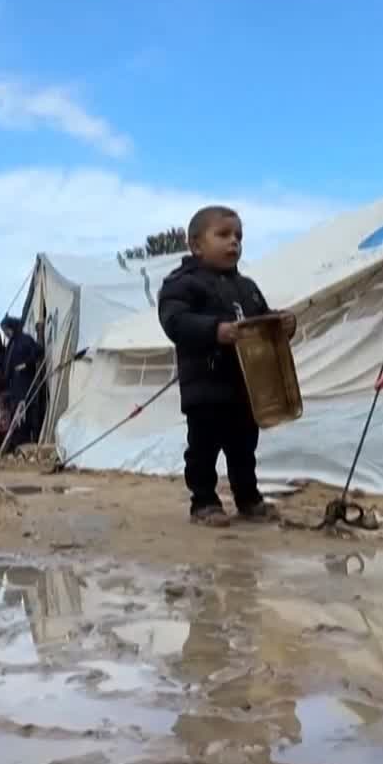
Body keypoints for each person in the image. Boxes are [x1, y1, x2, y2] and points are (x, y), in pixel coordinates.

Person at [157, 204, 293, 526]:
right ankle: (203, 502)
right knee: (203, 447)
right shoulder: (182, 284)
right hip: (205, 385)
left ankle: (248, 499)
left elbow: (260, 319)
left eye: (238, 236)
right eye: (223, 235)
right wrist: (214, 331)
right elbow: (175, 321)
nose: (234, 242)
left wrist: (282, 323)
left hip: (246, 386)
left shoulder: (246, 287)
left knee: (244, 447)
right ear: (196, 244)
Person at [0, 316, 44, 450]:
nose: (5, 333)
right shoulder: (12, 343)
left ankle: (25, 440)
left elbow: (39, 351)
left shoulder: (25, 339)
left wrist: (25, 364)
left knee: (25, 411)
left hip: (25, 381)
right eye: (4, 331)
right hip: (15, 384)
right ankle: (16, 442)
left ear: (12, 327)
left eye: (6, 330)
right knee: (16, 413)